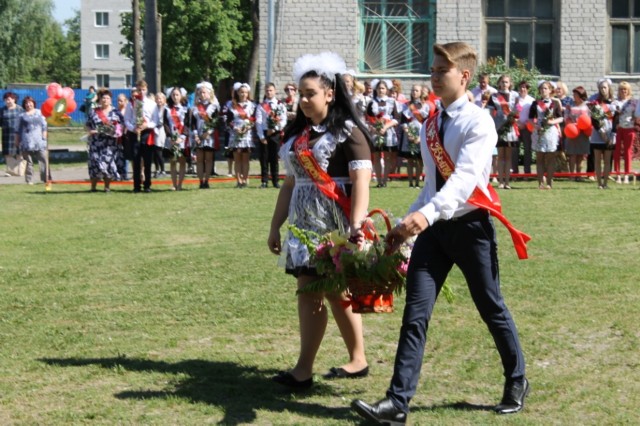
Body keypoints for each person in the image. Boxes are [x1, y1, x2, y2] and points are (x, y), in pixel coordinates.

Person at [352, 42, 529, 425]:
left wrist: (425, 216)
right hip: (434, 232)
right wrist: (407, 224)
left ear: (463, 76)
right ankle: (397, 403)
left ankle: (517, 379)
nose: (433, 76)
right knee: (415, 314)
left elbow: (464, 181)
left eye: (441, 71)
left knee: (490, 306)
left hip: (471, 228)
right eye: (432, 70)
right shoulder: (430, 125)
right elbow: (432, 187)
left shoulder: (479, 122)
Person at [267, 51, 373, 390]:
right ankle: (350, 360)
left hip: (334, 223)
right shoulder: (298, 135)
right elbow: (289, 184)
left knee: (323, 290)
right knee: (316, 290)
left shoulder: (347, 132)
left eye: (309, 93)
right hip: (303, 225)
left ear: (329, 93)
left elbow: (361, 181)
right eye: (300, 94)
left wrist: (356, 225)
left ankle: (315, 367)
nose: (302, 100)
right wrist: (275, 225)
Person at [85, 88, 124, 192]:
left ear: (111, 100)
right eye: (103, 98)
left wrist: (116, 131)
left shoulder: (116, 112)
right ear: (100, 99)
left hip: (110, 144)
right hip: (96, 143)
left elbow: (121, 126)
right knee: (94, 163)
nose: (105, 100)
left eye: (107, 98)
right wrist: (90, 131)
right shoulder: (94, 111)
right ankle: (93, 187)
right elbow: (87, 124)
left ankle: (107, 187)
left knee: (108, 164)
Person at [124, 80, 159, 193]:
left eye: (143, 90)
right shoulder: (131, 103)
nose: (141, 92)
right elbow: (127, 119)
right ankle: (136, 186)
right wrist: (133, 128)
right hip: (135, 133)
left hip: (147, 133)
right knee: (136, 160)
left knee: (147, 160)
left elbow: (155, 121)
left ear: (146, 90)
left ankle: (147, 185)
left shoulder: (152, 104)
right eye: (139, 90)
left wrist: (146, 125)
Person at [487, 75, 520, 189]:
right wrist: (492, 127)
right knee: (500, 156)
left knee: (508, 156)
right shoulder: (494, 96)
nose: (504, 84)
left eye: (506, 82)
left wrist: (515, 118)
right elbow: (491, 113)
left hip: (511, 128)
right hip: (499, 127)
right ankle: (500, 181)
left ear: (510, 83)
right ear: (499, 83)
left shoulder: (515, 95)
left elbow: (517, 111)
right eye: (502, 82)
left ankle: (507, 182)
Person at [366, 78, 400, 187]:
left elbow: (396, 118)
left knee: (387, 157)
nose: (381, 90)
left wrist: (385, 127)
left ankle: (385, 181)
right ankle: (379, 181)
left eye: (383, 88)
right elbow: (367, 118)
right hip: (375, 131)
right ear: (376, 89)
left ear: (387, 90)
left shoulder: (392, 101)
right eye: (379, 88)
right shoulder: (371, 102)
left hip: (388, 131)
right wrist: (373, 128)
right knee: (376, 157)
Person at [529, 81, 563, 189]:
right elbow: (530, 118)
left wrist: (552, 122)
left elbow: (561, 118)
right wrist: (535, 126)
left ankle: (549, 183)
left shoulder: (555, 103)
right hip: (539, 131)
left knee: (550, 158)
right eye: (542, 88)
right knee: (539, 158)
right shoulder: (535, 103)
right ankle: (540, 183)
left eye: (545, 88)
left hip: (551, 132)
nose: (543, 90)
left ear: (550, 90)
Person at [224, 82, 256, 188]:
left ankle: (245, 180)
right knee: (237, 159)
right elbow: (227, 120)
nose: (243, 94)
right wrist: (235, 128)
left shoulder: (252, 105)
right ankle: (238, 181)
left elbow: (254, 119)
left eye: (245, 92)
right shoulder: (231, 105)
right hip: (235, 134)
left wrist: (248, 127)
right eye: (241, 92)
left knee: (245, 159)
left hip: (247, 134)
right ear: (237, 93)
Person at [256, 82, 287, 188]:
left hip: (275, 133)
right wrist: (261, 136)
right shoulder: (260, 106)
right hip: (264, 133)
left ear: (275, 91)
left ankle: (275, 181)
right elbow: (259, 122)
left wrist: (275, 129)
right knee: (264, 158)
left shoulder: (280, 104)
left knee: (274, 158)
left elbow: (283, 120)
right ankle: (264, 181)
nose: (269, 92)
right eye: (267, 90)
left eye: (271, 90)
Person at [400, 84, 431, 188]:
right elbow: (403, 121)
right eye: (413, 90)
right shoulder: (407, 105)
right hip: (409, 133)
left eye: (417, 90)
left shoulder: (425, 106)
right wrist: (408, 133)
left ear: (421, 92)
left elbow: (427, 122)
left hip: (420, 133)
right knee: (410, 159)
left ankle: (417, 182)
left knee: (419, 159)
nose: (414, 92)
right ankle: (410, 182)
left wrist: (420, 137)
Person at [190, 81, 220, 189]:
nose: (202, 95)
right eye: (200, 93)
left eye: (204, 92)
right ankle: (200, 181)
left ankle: (206, 180)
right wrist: (196, 135)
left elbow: (216, 121)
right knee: (199, 159)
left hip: (209, 136)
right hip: (198, 134)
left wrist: (208, 132)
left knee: (208, 159)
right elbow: (193, 122)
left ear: (209, 93)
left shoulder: (214, 106)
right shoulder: (195, 107)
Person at [589, 78, 616, 189]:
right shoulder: (595, 103)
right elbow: (594, 120)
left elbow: (616, 120)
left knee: (607, 160)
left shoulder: (614, 103)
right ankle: (599, 184)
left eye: (605, 87)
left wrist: (613, 134)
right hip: (598, 134)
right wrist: (601, 132)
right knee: (597, 160)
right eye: (601, 88)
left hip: (609, 134)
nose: (603, 90)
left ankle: (605, 183)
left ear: (609, 88)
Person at [14, 96, 49, 185]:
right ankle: (29, 180)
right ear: (24, 105)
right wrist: (17, 141)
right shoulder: (21, 115)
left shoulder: (40, 112)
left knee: (43, 160)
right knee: (28, 162)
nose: (28, 104)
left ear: (33, 103)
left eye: (30, 102)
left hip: (39, 141)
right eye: (26, 103)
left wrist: (44, 136)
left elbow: (44, 125)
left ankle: (45, 178)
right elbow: (17, 129)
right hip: (26, 142)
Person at [164, 87, 190, 191]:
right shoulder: (167, 109)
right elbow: (165, 124)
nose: (175, 97)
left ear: (181, 96)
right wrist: (170, 137)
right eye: (173, 95)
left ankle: (180, 185)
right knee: (173, 161)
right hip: (171, 138)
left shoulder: (185, 109)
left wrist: (182, 137)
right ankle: (174, 184)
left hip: (182, 138)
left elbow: (187, 124)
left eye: (177, 95)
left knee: (182, 161)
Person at [564, 86, 591, 180]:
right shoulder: (569, 105)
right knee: (572, 154)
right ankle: (572, 175)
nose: (574, 96)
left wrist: (585, 126)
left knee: (581, 154)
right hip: (572, 132)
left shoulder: (587, 105)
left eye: (576, 94)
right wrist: (572, 124)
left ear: (581, 95)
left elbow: (590, 118)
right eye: (574, 94)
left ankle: (579, 174)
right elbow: (566, 117)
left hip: (583, 133)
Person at [613, 81, 637, 184]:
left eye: (625, 89)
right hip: (618, 129)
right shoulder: (615, 102)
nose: (623, 91)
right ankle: (618, 175)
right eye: (621, 89)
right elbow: (611, 115)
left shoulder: (634, 102)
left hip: (629, 129)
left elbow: (637, 115)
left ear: (628, 90)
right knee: (617, 152)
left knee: (627, 152)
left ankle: (626, 175)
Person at [1, 92, 24, 176]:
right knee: (8, 153)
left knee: (19, 153)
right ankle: (11, 171)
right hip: (6, 135)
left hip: (18, 134)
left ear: (14, 99)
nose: (7, 101)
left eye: (9, 99)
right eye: (6, 99)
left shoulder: (20, 109)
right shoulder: (2, 110)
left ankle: (20, 171)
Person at [514, 81, 534, 176]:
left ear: (528, 89)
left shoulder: (531, 100)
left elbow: (533, 115)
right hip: (516, 127)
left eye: (525, 87)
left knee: (527, 149)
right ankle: (515, 172)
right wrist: (517, 123)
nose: (523, 89)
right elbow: (512, 113)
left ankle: (527, 172)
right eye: (521, 87)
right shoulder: (515, 99)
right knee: (515, 150)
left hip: (527, 127)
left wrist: (526, 124)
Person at [153, 92, 168, 178]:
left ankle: (163, 170)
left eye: (160, 98)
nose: (159, 100)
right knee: (155, 150)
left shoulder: (166, 108)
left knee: (159, 150)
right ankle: (157, 169)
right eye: (157, 98)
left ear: (164, 100)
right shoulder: (154, 108)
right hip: (155, 129)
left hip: (162, 130)